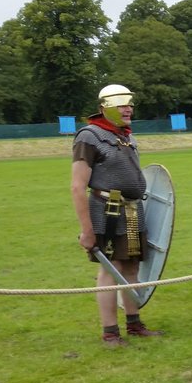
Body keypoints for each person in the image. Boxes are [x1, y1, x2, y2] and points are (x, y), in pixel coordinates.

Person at [70, 84, 164, 347]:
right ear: (105, 107)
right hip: (107, 212)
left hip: (133, 211)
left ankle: (134, 324)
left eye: (130, 103)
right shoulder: (88, 136)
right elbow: (78, 186)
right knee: (110, 271)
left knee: (132, 268)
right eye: (121, 103)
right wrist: (87, 229)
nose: (128, 108)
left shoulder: (127, 136)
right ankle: (110, 331)